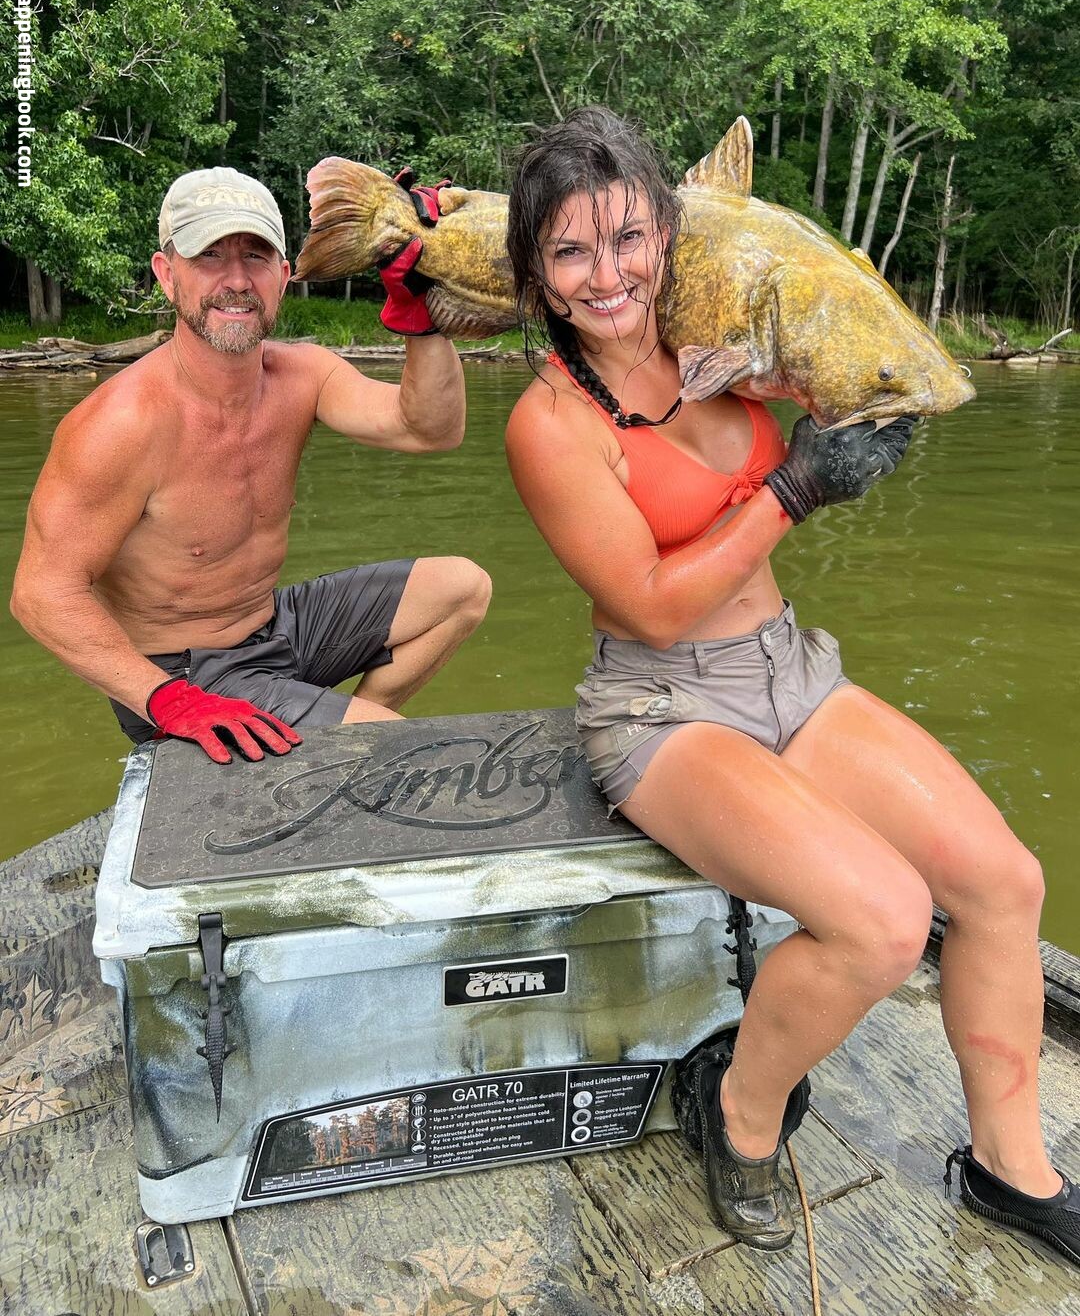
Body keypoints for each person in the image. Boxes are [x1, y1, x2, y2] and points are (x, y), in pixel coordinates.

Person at [503, 107, 1078, 1263]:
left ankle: (1011, 1169)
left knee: (1005, 882)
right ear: (537, 274)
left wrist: (862, 421)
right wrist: (798, 490)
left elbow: (852, 372)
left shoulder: (723, 341)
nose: (608, 276)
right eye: (571, 251)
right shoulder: (550, 422)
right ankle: (740, 1113)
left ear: (666, 235)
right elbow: (653, 604)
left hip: (789, 670)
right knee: (883, 921)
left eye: (628, 238)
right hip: (663, 707)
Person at [11, 166, 491, 765]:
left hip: (274, 627)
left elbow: (431, 429)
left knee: (461, 588)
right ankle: (335, 741)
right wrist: (169, 701)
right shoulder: (121, 423)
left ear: (283, 276)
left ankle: (322, 743)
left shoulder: (304, 375)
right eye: (209, 256)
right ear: (167, 274)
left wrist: (421, 314)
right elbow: (41, 593)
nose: (236, 280)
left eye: (255, 256)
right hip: (184, 676)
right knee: (395, 749)